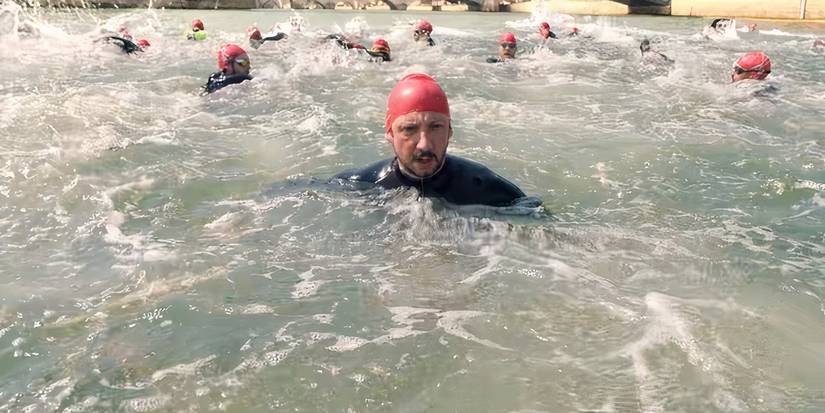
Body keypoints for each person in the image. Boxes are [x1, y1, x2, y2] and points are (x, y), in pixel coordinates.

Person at [332, 73, 532, 207]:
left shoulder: (489, 190)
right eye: (409, 129)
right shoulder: (358, 185)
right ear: (390, 133)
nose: (424, 145)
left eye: (436, 127)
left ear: (450, 131)